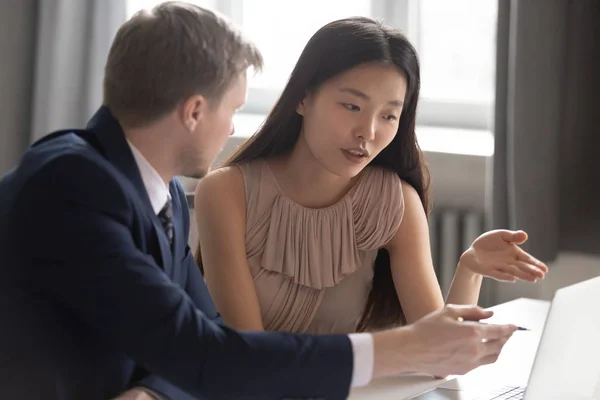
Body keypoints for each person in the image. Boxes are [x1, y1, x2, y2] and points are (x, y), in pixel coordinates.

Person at [0, 2, 518, 400]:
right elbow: (212, 354)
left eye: (389, 114)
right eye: (234, 109)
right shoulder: (70, 184)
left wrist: (156, 392)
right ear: (194, 112)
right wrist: (397, 348)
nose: (232, 127)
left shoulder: (164, 198)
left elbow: (204, 342)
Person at [194, 16, 548, 334]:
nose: (369, 132)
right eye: (352, 106)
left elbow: (440, 354)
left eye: (389, 116)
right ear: (303, 99)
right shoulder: (227, 192)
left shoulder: (394, 202)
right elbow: (248, 354)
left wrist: (470, 268)